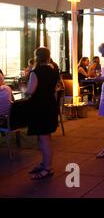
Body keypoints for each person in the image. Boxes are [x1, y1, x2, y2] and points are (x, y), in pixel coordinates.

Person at [25, 47, 60, 179]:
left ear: (36, 56)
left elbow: (30, 91)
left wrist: (25, 89)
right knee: (45, 137)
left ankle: (47, 168)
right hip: (50, 105)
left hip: (39, 107)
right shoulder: (53, 71)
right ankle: (44, 163)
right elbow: (54, 88)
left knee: (43, 138)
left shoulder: (36, 72)